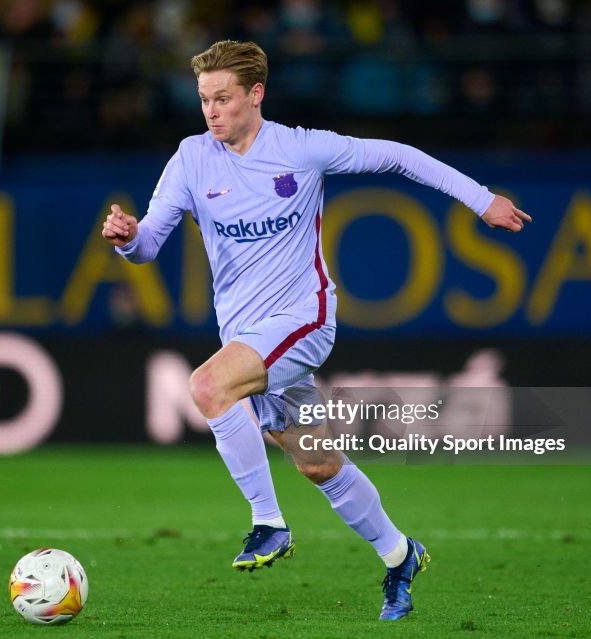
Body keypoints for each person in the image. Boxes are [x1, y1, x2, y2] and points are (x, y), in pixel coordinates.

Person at [100, 40, 530, 621]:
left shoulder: (301, 149)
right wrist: (127, 238)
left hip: (305, 318)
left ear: (256, 95)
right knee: (317, 462)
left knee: (208, 388)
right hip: (247, 335)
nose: (211, 110)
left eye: (223, 98)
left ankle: (268, 523)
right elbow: (149, 243)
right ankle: (400, 554)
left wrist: (480, 200)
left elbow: (397, 156)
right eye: (204, 99)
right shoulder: (190, 159)